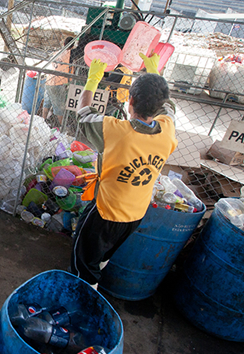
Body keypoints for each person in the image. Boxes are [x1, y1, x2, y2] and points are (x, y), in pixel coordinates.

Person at [70, 54, 178, 289]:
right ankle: (93, 284)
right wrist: (155, 74)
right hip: (135, 214)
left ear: (130, 100)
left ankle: (83, 299)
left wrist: (92, 81)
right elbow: (169, 106)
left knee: (83, 265)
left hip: (105, 212)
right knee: (103, 257)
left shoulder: (115, 131)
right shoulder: (167, 130)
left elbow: (83, 113)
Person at [41, 36, 77, 133]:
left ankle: (42, 121)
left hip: (49, 80)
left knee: (47, 103)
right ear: (72, 46)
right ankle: (63, 128)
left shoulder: (57, 52)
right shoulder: (69, 53)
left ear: (64, 44)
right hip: (59, 82)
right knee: (59, 106)